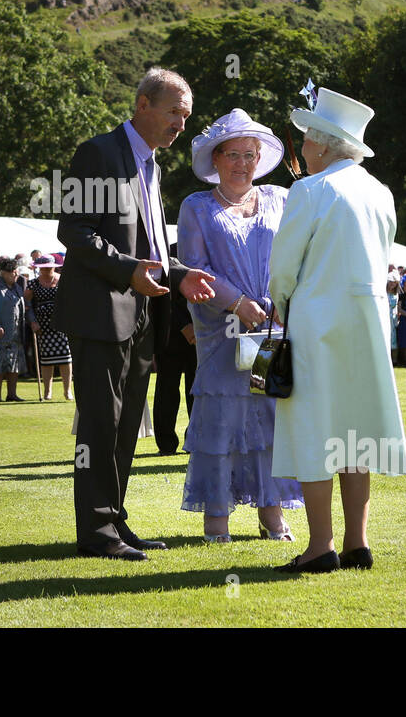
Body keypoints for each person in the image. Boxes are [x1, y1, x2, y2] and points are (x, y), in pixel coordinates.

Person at [55, 67, 216, 561]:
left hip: (143, 316)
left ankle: (115, 525)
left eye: (186, 116)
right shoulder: (98, 153)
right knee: (101, 426)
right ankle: (97, 534)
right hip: (101, 314)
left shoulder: (152, 164)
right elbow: (75, 231)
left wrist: (180, 272)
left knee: (127, 427)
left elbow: (148, 243)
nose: (180, 125)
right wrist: (128, 272)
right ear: (142, 104)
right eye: (174, 112)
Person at [268, 87, 406, 574]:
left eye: (306, 139)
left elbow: (283, 267)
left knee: (313, 428)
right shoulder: (381, 193)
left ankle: (320, 546)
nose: (301, 148)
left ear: (323, 145)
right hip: (367, 324)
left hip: (316, 324)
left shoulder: (310, 191)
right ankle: (357, 542)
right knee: (355, 434)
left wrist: (280, 303)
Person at [175, 108, 304, 542]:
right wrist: (237, 304)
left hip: (271, 330)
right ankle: (217, 520)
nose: (242, 164)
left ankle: (272, 515)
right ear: (215, 159)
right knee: (222, 419)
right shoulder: (196, 207)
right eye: (233, 154)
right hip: (220, 330)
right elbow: (194, 267)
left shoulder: (279, 198)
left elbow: (295, 256)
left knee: (267, 414)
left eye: (251, 155)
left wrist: (286, 300)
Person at [153, 241, 197, 456]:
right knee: (167, 390)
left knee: (195, 390)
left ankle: (194, 439)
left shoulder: (206, 248)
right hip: (170, 333)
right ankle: (166, 443)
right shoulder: (169, 252)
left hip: (200, 333)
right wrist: (183, 325)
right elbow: (162, 293)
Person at [25, 254, 72, 400]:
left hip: (62, 324)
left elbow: (71, 300)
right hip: (42, 326)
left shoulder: (63, 280)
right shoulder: (33, 284)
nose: (46, 271)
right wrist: (32, 321)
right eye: (43, 268)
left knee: (66, 358)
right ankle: (47, 391)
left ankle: (67, 390)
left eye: (49, 268)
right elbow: (27, 305)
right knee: (47, 360)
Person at [0, 257, 27, 402]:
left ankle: (12, 394)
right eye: (11, 272)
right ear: (2, 272)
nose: (15, 275)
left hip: (15, 334)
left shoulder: (17, 287)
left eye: (16, 272)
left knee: (14, 365)